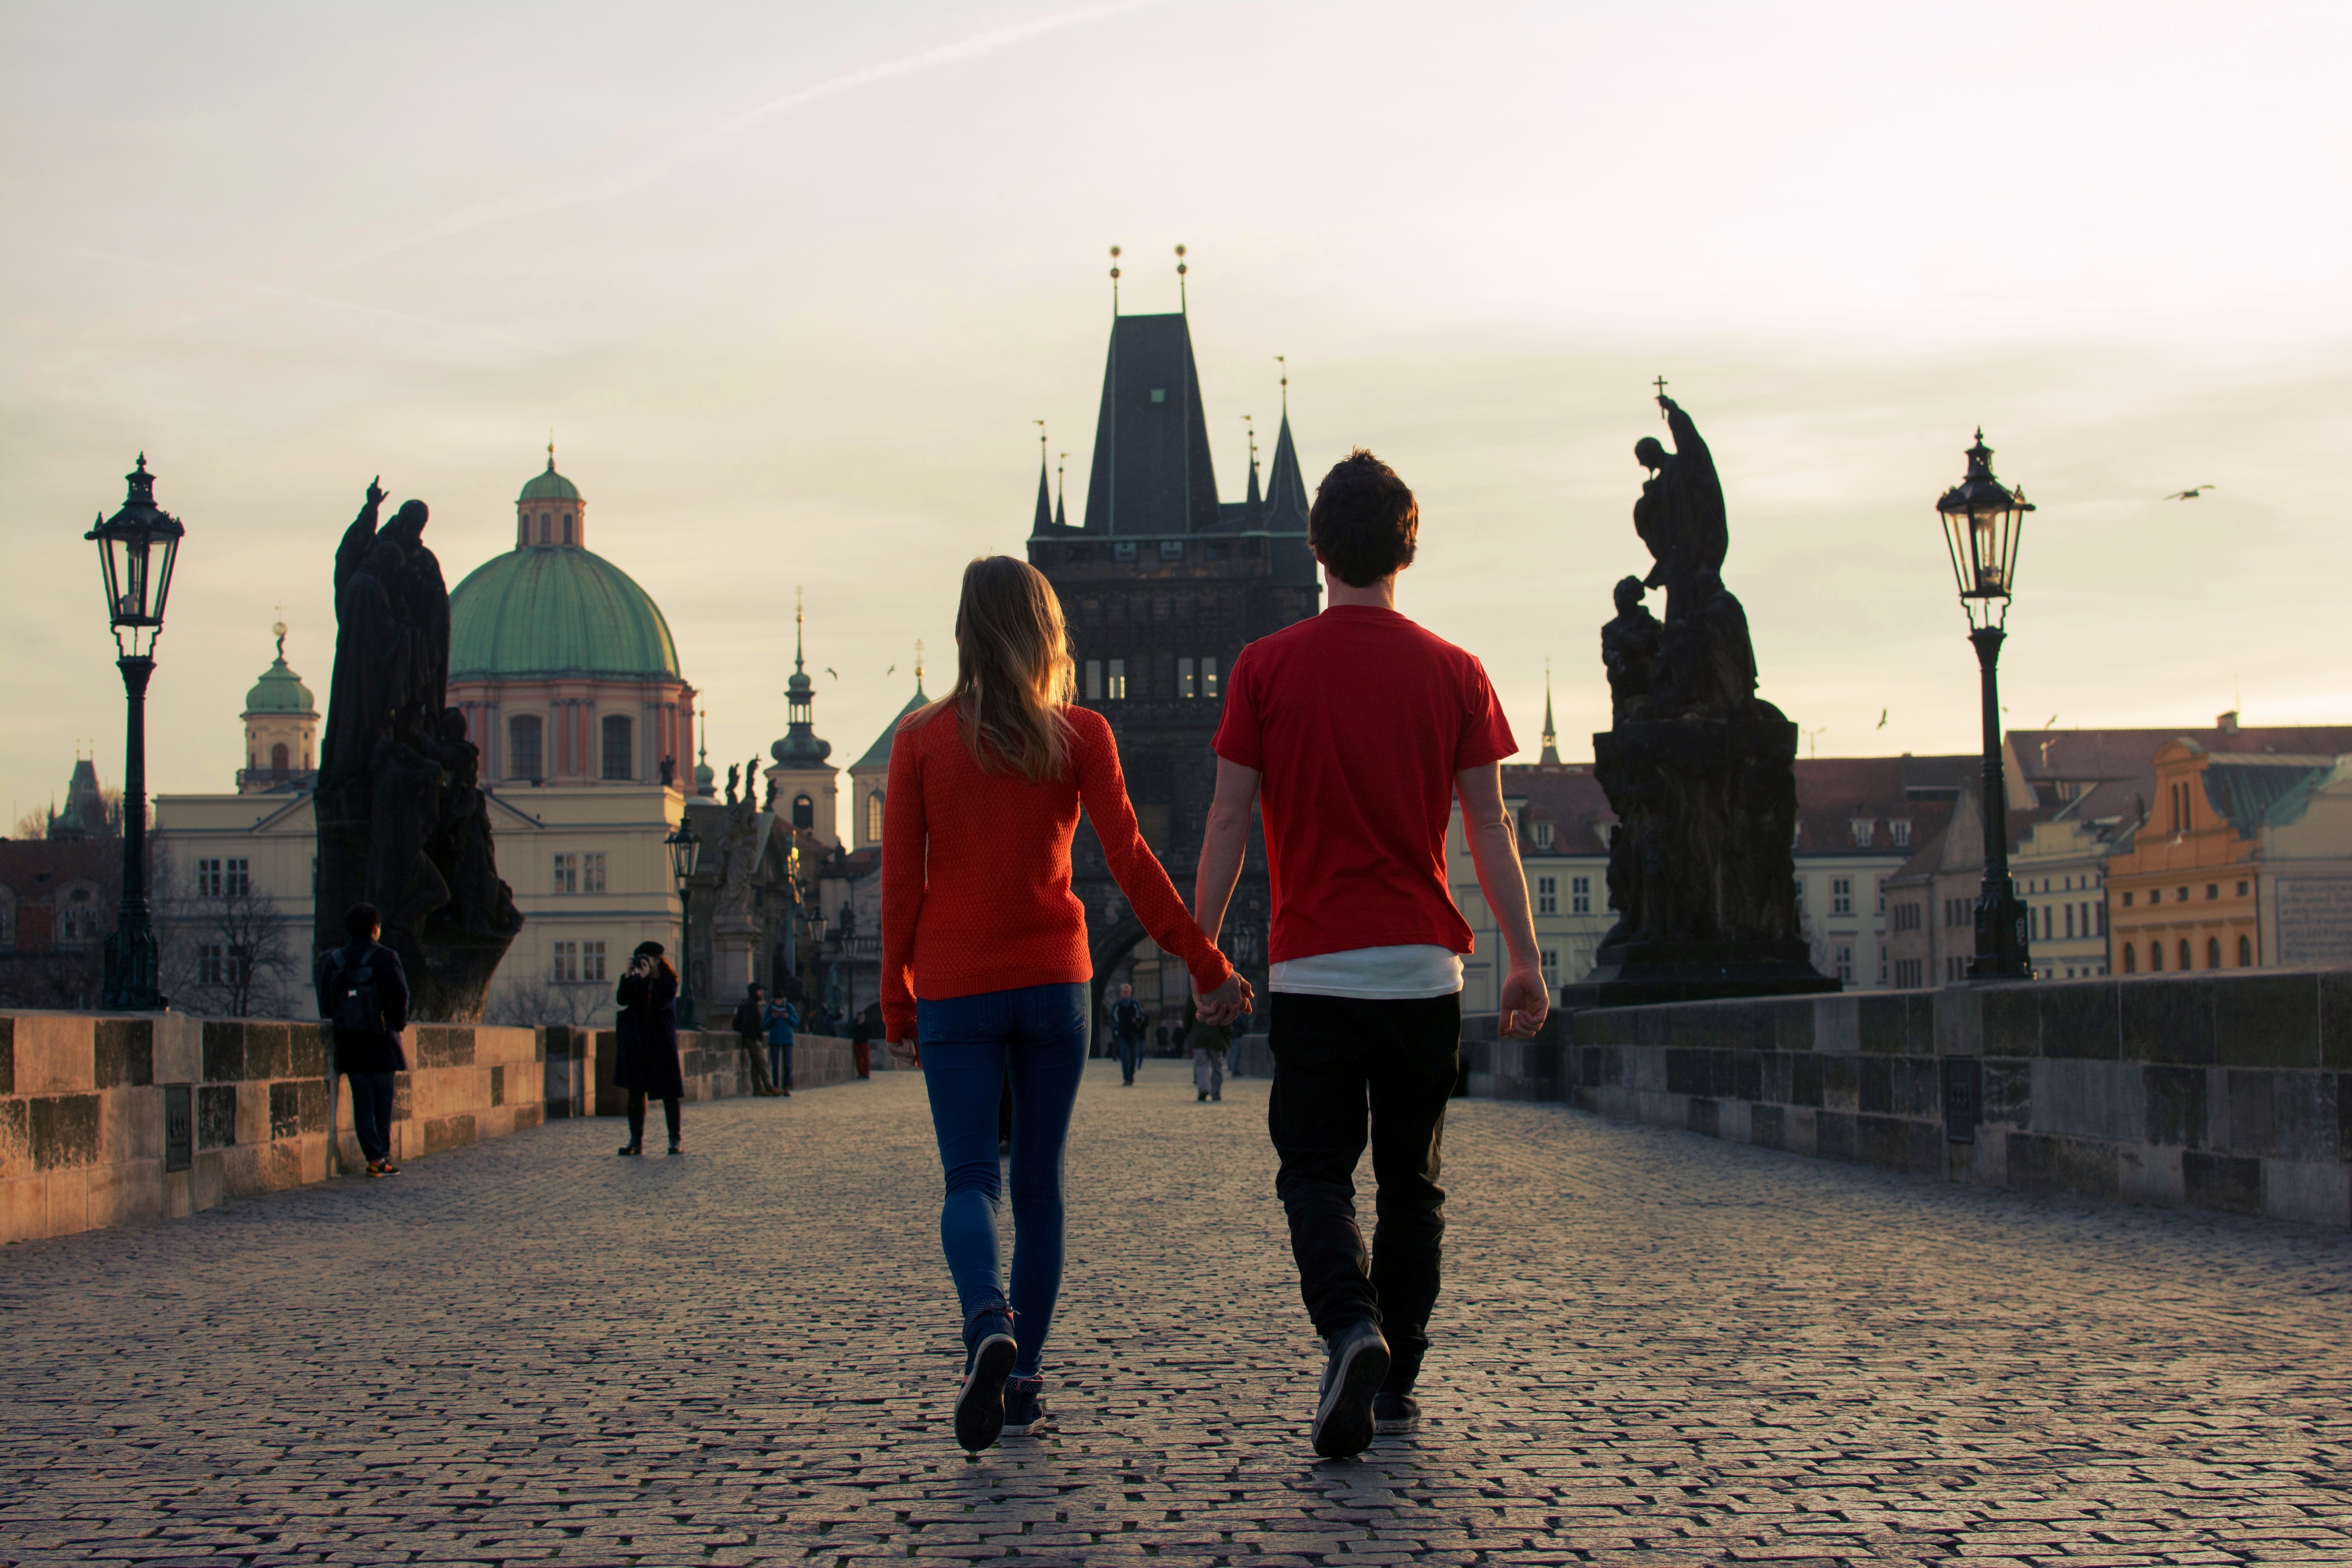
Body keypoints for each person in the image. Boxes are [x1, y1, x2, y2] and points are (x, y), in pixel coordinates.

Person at [1194, 448, 1548, 1459]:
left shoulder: (1264, 668)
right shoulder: (1456, 670)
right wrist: (1522, 957)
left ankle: (1351, 1326)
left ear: (1315, 550)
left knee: (1313, 1169)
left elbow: (1226, 821)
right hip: (1423, 971)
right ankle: (1400, 1374)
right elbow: (1490, 830)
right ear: (1410, 548)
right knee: (1413, 1183)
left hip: (1312, 968)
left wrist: (1202, 946)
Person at [882, 554, 1251, 1455]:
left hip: (957, 985)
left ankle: (985, 1324)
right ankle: (1024, 1383)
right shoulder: (1080, 733)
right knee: (1040, 1186)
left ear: (967, 633)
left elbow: (901, 886)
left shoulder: (921, 742)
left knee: (972, 1178)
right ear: (1050, 634)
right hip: (1055, 982)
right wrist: (1207, 962)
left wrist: (897, 997)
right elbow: (1133, 862)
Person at [316, 901, 411, 1178]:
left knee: (363, 1102)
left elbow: (327, 1004)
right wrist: (397, 1024)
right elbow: (401, 995)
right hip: (382, 1041)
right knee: (383, 1102)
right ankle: (382, 1156)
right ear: (375, 929)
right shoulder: (387, 957)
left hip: (350, 1042)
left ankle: (374, 1156)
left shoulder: (332, 961)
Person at [615, 941, 686, 1156]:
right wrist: (628, 976)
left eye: (646, 959)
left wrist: (646, 980)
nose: (643, 963)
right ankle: (635, 1140)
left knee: (669, 1094)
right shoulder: (636, 980)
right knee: (635, 1093)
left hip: (661, 1043)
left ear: (657, 960)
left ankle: (675, 1139)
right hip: (637, 1042)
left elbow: (658, 1003)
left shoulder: (668, 982)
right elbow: (623, 1000)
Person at [730, 983, 779, 1096]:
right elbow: (749, 1024)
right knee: (762, 1063)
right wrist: (755, 1036)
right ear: (755, 992)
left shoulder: (749, 1004)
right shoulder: (750, 1005)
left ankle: (758, 1089)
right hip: (752, 1038)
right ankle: (769, 1087)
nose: (762, 993)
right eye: (760, 991)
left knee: (756, 1064)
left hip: (751, 1037)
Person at [1109, 982, 1148, 1086]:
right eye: (1123, 992)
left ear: (1130, 993)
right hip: (1122, 1034)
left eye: (1127, 992)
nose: (1125, 994)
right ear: (1121, 993)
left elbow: (1142, 1017)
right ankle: (1127, 1078)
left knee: (1133, 1057)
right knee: (1124, 1057)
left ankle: (1131, 1075)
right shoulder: (1117, 1005)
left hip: (1133, 1034)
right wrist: (1116, 1028)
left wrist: (1138, 1022)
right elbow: (1112, 1017)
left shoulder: (1135, 1004)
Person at [764, 986, 800, 1096]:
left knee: (788, 1065)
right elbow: (765, 1024)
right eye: (776, 1000)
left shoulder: (789, 1007)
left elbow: (796, 1022)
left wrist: (787, 1017)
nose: (778, 1002)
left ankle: (786, 1087)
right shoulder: (770, 1009)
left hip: (787, 1039)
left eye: (780, 999)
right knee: (775, 1065)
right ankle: (776, 1086)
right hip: (775, 1039)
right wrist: (773, 1018)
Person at [1187, 1006, 1229, 1103]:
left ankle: (1203, 1088)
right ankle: (1216, 1092)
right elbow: (1227, 1019)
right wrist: (1227, 1034)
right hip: (1217, 1037)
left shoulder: (1194, 995)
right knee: (1217, 1066)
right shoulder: (1220, 994)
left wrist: (1191, 1035)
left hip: (1199, 1037)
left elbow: (1187, 1018)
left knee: (1201, 1065)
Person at [850, 1002, 878, 1079]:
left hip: (864, 1043)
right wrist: (859, 1025)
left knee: (866, 1059)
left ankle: (866, 1073)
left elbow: (870, 1030)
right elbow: (852, 1030)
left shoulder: (866, 1023)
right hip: (857, 1043)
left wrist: (863, 1024)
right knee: (859, 1059)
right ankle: (861, 1073)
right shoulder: (855, 1023)